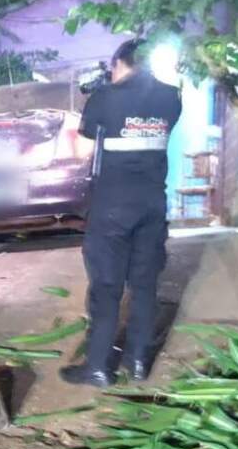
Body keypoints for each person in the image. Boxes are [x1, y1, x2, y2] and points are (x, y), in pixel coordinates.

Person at [60, 38, 182, 388]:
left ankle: (98, 366)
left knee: (107, 286)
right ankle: (139, 362)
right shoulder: (171, 97)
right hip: (152, 205)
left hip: (112, 207)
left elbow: (81, 144)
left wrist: (101, 98)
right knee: (144, 285)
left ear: (122, 63)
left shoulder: (105, 97)